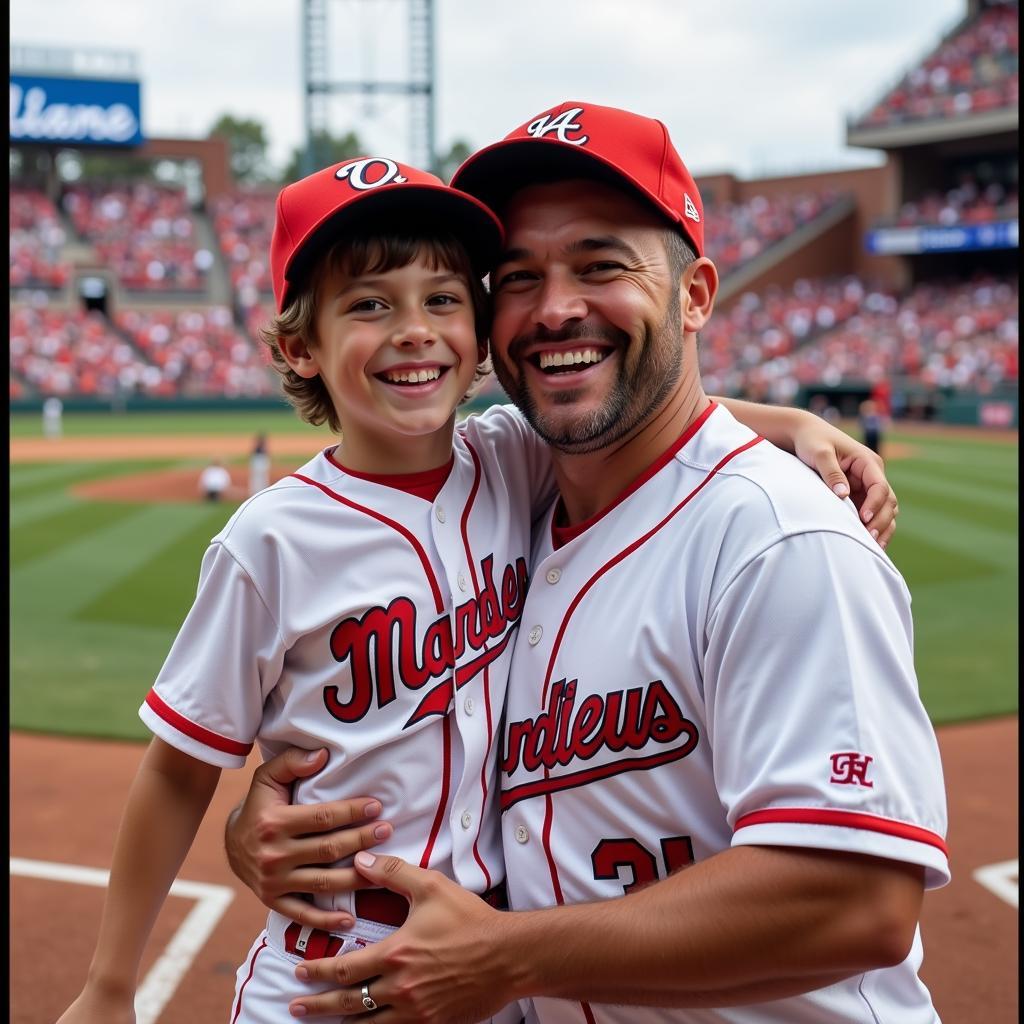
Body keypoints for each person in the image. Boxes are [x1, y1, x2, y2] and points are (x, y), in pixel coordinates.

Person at [57, 149, 889, 1024]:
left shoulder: (510, 455)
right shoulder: (268, 542)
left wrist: (791, 424)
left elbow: (656, 408)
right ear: (301, 345)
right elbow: (179, 767)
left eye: (443, 300)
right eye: (371, 304)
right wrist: (112, 984)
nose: (415, 329)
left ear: (479, 330)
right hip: (332, 967)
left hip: (496, 963)